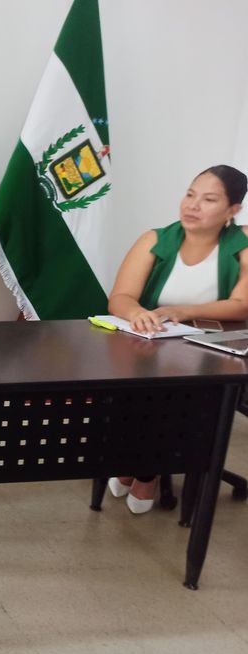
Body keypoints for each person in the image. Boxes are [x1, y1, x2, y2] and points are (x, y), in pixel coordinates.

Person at [106, 164, 248, 513]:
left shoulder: (243, 246)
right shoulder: (155, 240)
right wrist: (136, 312)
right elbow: (121, 297)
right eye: (190, 194)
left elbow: (242, 305)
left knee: (174, 388)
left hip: (212, 355)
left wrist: (182, 310)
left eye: (209, 199)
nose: (193, 205)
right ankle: (136, 459)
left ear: (232, 209)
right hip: (151, 345)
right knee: (141, 384)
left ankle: (147, 470)